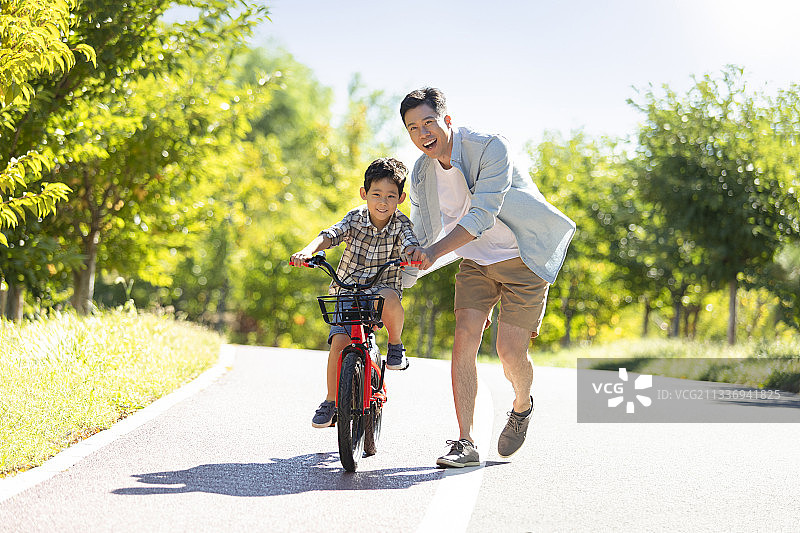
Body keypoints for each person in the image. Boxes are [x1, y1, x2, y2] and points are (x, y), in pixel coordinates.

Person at [400, 87, 576, 467]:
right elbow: (423, 227)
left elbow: (483, 215)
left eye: (428, 122)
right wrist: (405, 269)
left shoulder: (491, 148)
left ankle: (522, 405)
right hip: (475, 263)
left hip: (521, 258)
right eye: (413, 128)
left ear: (447, 120)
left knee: (509, 352)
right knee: (463, 338)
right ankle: (465, 442)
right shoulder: (421, 171)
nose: (423, 134)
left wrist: (432, 253)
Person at [290, 157, 419, 428]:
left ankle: (395, 345)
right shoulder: (356, 218)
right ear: (364, 194)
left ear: (401, 198)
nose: (382, 202)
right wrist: (308, 250)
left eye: (390, 196)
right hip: (348, 289)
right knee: (339, 343)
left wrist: (412, 254)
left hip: (381, 290)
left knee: (391, 298)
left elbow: (409, 243)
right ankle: (330, 401)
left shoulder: (401, 224)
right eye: (376, 195)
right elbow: (332, 234)